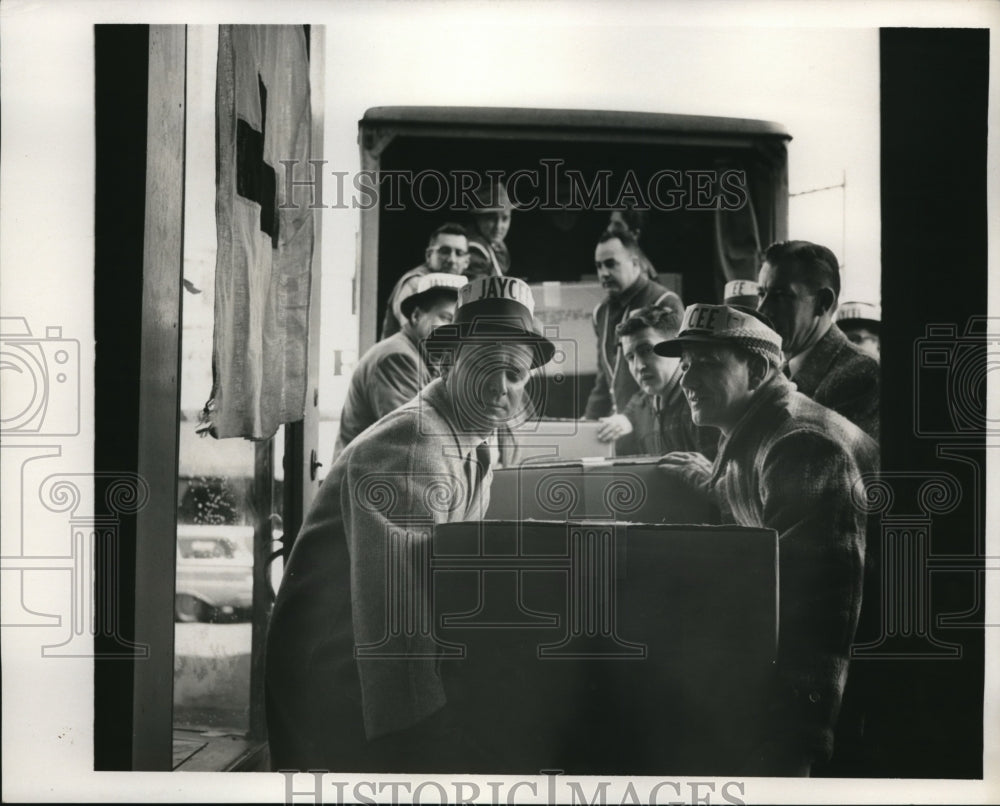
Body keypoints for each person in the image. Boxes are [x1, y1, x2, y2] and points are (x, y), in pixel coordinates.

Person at [265, 276, 556, 773]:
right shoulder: (415, 446)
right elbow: (395, 625)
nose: (499, 388)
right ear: (446, 362)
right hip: (340, 685)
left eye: (515, 374)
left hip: (363, 673)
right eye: (483, 365)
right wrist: (427, 738)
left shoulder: (470, 440)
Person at [655, 303, 878, 776]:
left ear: (757, 369)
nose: (687, 381)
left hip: (863, 692)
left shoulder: (800, 444)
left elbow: (821, 611)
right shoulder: (750, 428)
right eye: (686, 364)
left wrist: (797, 745)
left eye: (708, 363)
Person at [757, 240, 880, 439]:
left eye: (780, 296)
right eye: (761, 294)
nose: (762, 310)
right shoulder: (771, 372)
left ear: (822, 302)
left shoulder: (863, 378)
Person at [335, 272, 467, 454]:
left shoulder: (424, 357)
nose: (454, 331)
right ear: (416, 316)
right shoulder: (397, 357)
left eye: (460, 324)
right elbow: (415, 437)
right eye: (446, 318)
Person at [584, 229, 683, 426]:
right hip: (619, 426)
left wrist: (629, 417)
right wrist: (588, 421)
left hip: (657, 422)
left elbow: (676, 372)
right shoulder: (600, 313)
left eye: (611, 264)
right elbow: (605, 380)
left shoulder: (665, 301)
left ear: (636, 263)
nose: (603, 273)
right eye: (599, 266)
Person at [601, 304, 718, 460]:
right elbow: (634, 407)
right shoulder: (643, 403)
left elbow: (718, 479)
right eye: (630, 357)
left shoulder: (702, 404)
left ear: (676, 348)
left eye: (646, 351)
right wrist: (622, 420)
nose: (638, 366)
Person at [381, 223, 470, 339]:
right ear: (429, 255)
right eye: (444, 251)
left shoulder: (460, 285)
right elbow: (418, 336)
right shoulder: (416, 284)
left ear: (467, 262)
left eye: (459, 253)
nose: (452, 259)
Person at [465, 182, 512, 279]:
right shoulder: (474, 249)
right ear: (478, 219)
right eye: (491, 219)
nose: (498, 226)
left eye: (505, 218)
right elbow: (480, 290)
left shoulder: (497, 246)